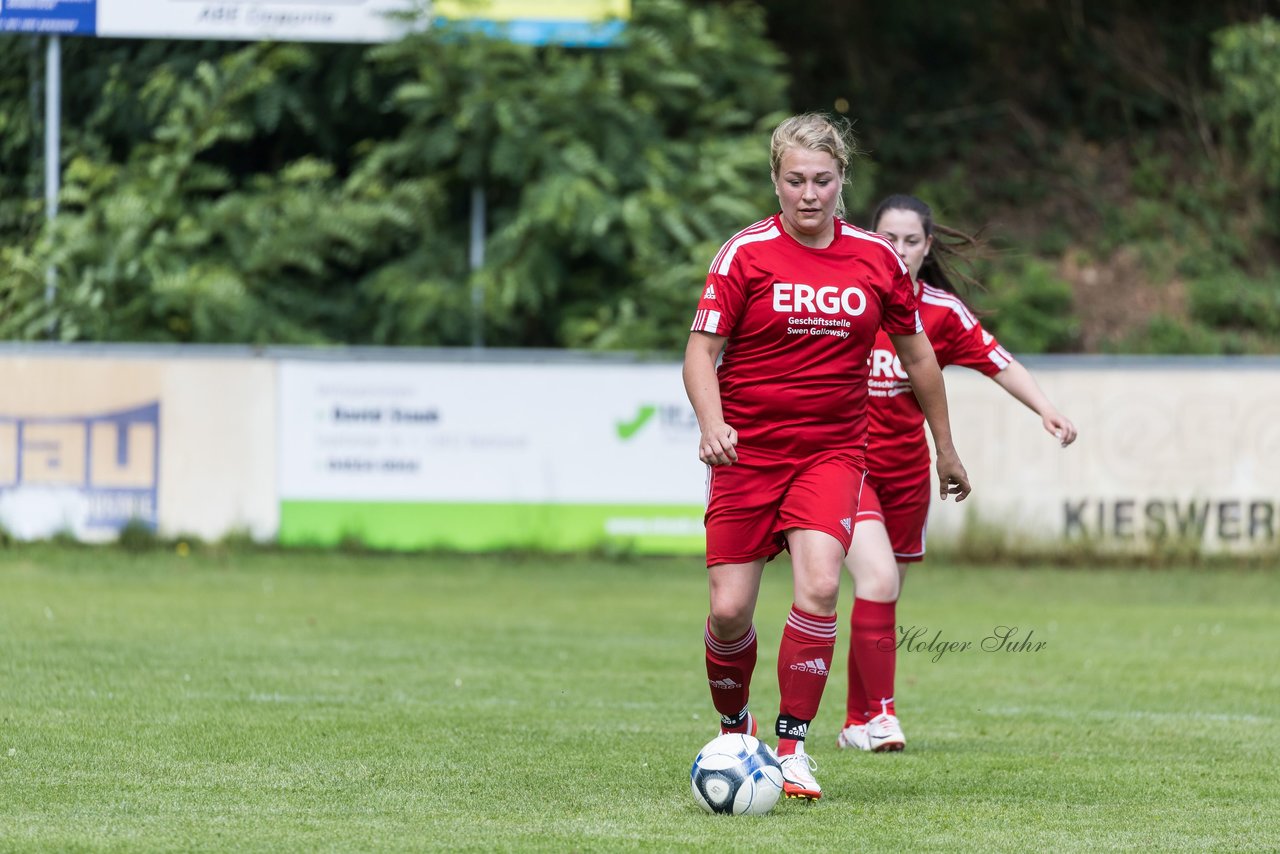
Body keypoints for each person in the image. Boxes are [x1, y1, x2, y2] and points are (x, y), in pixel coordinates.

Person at [682, 116, 972, 801]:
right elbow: (701, 352)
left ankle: (790, 748)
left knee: (818, 586)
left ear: (842, 182)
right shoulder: (744, 255)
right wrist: (712, 423)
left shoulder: (874, 259)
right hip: (746, 454)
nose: (808, 194)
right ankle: (734, 728)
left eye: (822, 180)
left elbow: (918, 356)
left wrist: (946, 447)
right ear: (775, 181)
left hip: (831, 453)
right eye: (794, 181)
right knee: (729, 612)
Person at [836, 194, 1079, 754]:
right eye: (888, 239)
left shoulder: (940, 312)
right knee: (877, 582)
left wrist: (1045, 407)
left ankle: (855, 721)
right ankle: (885, 716)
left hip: (906, 475)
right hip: (846, 467)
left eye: (911, 241)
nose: (898, 250)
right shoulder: (843, 298)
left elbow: (997, 359)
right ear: (870, 239)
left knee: (883, 592)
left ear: (927, 248)